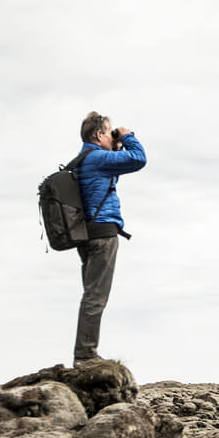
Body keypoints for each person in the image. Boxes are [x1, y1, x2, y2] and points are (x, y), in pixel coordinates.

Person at [72, 111, 147, 364]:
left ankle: (85, 352)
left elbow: (115, 163)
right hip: (103, 234)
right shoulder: (98, 159)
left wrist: (115, 143)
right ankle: (85, 355)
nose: (114, 134)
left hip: (88, 235)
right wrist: (128, 137)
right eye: (110, 131)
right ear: (99, 134)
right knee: (96, 296)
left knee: (91, 294)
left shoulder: (85, 159)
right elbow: (138, 159)